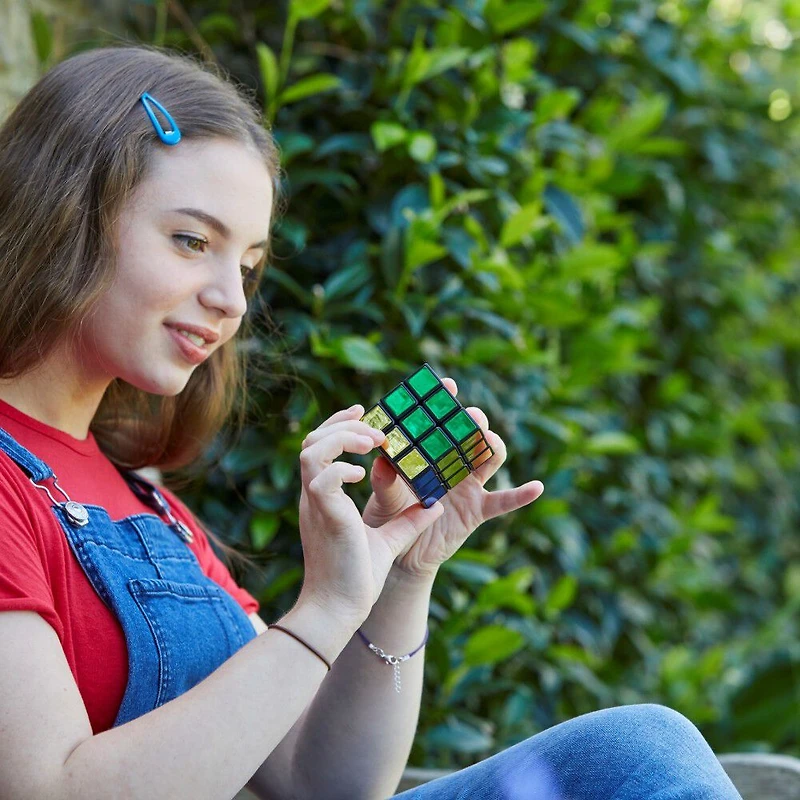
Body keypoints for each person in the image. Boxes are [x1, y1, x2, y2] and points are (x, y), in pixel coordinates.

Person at [0, 44, 743, 800]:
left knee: (637, 749)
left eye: (249, 265)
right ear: (68, 215)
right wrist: (322, 610)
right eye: (193, 241)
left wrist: (400, 572)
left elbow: (328, 785)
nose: (231, 298)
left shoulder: (148, 505)